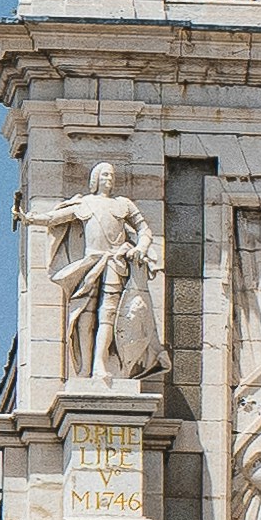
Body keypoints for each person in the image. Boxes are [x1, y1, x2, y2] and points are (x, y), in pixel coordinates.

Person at [48, 164, 164, 390]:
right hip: (90, 263)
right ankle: (85, 368)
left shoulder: (123, 204)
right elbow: (55, 218)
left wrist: (141, 247)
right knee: (85, 314)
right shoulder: (85, 204)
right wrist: (30, 218)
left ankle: (101, 364)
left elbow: (144, 229)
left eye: (111, 175)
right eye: (105, 175)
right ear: (96, 179)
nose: (109, 178)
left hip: (115, 262)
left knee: (108, 314)